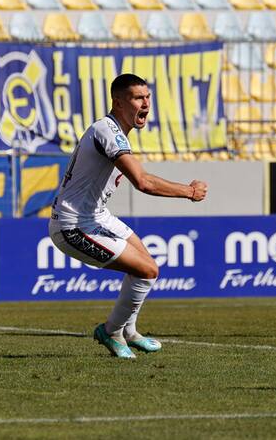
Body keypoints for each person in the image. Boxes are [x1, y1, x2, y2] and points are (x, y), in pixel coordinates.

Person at [48, 73, 208, 359]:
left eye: (148, 97)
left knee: (146, 264)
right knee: (147, 270)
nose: (146, 104)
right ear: (118, 103)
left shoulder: (116, 132)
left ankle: (129, 332)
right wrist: (188, 191)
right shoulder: (107, 131)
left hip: (97, 217)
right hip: (73, 225)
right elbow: (143, 182)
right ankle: (110, 331)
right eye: (138, 98)